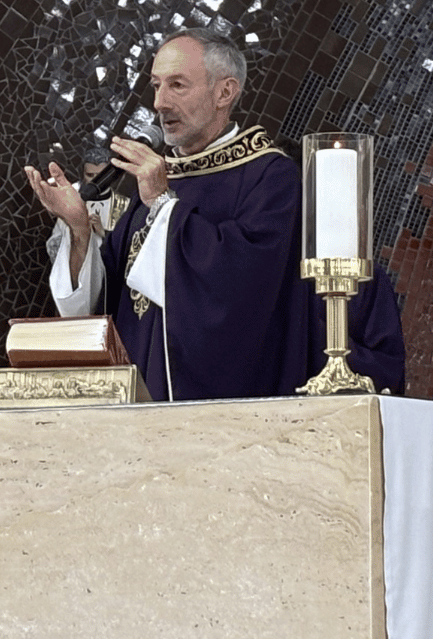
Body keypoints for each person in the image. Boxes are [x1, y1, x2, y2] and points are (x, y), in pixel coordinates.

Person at [23, 27, 304, 401]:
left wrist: (162, 203)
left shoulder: (271, 176)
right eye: (156, 85)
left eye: (177, 85)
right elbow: (109, 298)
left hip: (216, 403)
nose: (159, 102)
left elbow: (244, 285)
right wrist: (79, 233)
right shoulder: (160, 176)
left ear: (225, 92)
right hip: (132, 402)